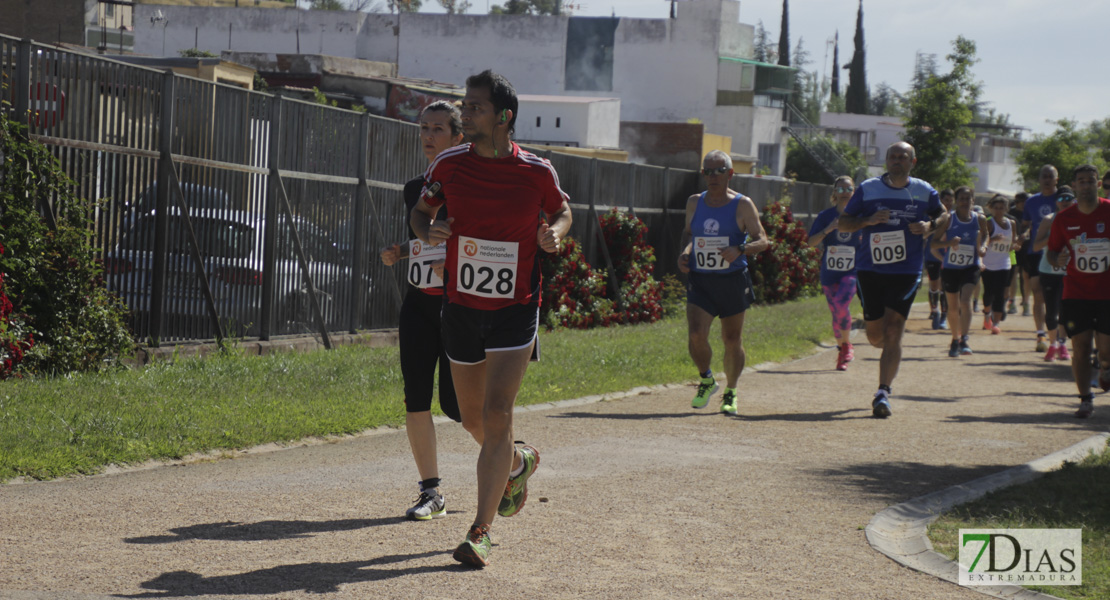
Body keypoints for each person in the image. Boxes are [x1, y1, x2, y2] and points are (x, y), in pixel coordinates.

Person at [411, 70, 572, 567]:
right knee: (473, 417)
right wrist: (430, 229)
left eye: (475, 106)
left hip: (515, 308)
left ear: (503, 117)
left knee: (499, 414)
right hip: (461, 307)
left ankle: (480, 530)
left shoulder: (537, 172)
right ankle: (519, 462)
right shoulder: (452, 165)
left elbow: (563, 211)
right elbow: (421, 211)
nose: (465, 113)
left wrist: (556, 234)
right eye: (465, 104)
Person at [379, 101, 465, 521]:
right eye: (424, 128)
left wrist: (455, 264)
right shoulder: (415, 188)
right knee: (416, 399)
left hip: (459, 307)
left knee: (458, 406)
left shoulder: (470, 186)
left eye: (439, 128)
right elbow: (420, 235)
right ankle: (432, 492)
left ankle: (511, 462)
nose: (429, 135)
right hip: (418, 304)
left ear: (458, 137)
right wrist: (400, 251)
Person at [837, 141, 942, 418]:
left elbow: (944, 216)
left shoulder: (923, 190)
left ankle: (883, 392)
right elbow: (844, 223)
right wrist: (867, 221)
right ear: (886, 161)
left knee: (894, 330)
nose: (897, 160)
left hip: (906, 272)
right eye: (892, 156)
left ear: (912, 162)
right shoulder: (868, 188)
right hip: (871, 270)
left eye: (903, 157)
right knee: (876, 336)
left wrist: (929, 226)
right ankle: (888, 351)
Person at [677, 150, 769, 414]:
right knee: (696, 334)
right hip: (701, 279)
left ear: (730, 174)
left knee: (731, 339)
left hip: (732, 280)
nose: (713, 176)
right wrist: (684, 255)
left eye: (719, 171)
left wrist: (740, 249)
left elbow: (762, 240)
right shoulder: (694, 202)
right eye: (708, 171)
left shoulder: (743, 205)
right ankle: (706, 379)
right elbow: (691, 236)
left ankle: (731, 390)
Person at [1045, 164, 1110, 418]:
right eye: (1081, 181)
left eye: (1090, 181)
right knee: (1080, 347)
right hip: (1076, 292)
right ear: (1074, 186)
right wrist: (1056, 260)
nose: (1085, 185)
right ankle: (1085, 399)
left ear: (1098, 184)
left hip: (1107, 293)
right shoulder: (1064, 218)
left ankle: (1104, 366)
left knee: (1106, 350)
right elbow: (1051, 253)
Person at [807, 175, 862, 371]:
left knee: (841, 304)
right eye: (840, 189)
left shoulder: (860, 216)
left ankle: (847, 346)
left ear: (854, 192)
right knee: (835, 312)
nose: (844, 193)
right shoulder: (825, 216)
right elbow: (810, 242)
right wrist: (828, 230)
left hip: (851, 271)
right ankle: (842, 351)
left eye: (848, 189)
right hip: (829, 272)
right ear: (834, 193)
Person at [931, 186, 989, 357]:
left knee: (965, 301)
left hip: (970, 266)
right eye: (961, 199)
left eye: (968, 199)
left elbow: (986, 235)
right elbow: (933, 243)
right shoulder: (949, 219)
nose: (964, 202)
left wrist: (984, 246)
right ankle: (954, 339)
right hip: (951, 268)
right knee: (953, 306)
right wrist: (948, 244)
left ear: (973, 201)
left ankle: (964, 339)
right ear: (957, 201)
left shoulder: (980, 219)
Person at [1032, 186, 1076, 362]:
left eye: (1068, 199)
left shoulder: (1078, 219)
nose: (1065, 202)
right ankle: (1052, 345)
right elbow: (1035, 246)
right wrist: (1053, 236)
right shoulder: (1049, 220)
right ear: (1056, 202)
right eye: (1061, 199)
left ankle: (1063, 344)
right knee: (1052, 310)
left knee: (1066, 311)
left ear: (1074, 200)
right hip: (1049, 270)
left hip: (1070, 271)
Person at [1023, 165, 1060, 351]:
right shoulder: (1031, 202)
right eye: (1043, 176)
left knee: (1057, 296)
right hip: (1036, 252)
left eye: (1050, 176)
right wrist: (1021, 236)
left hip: (1058, 253)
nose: (1046, 179)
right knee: (1038, 293)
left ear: (1056, 179)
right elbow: (1027, 225)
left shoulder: (1063, 199)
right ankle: (1040, 334)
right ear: (1039, 179)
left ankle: (1057, 330)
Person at [980, 194, 1018, 335]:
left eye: (1002, 208)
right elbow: (981, 241)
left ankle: (996, 323)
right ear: (991, 208)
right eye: (996, 208)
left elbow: (1012, 242)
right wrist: (993, 239)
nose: (999, 211)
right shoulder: (988, 223)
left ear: (1006, 209)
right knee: (988, 292)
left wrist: (1015, 245)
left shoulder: (1011, 223)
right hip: (989, 263)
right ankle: (986, 315)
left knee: (1000, 293)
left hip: (1004, 263)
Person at [924, 189, 954, 330]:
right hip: (932, 255)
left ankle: (943, 315)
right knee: (934, 284)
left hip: (949, 256)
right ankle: (934, 311)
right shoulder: (933, 217)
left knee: (944, 286)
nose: (948, 203)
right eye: (945, 200)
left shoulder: (954, 217)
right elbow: (924, 235)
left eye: (950, 200)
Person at [1007, 192, 1030, 315]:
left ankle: (1026, 302)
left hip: (1026, 246)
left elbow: (1030, 227)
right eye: (1018, 202)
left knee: (1026, 276)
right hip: (1014, 247)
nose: (1020, 204)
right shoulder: (1011, 214)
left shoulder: (1030, 212)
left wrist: (1025, 235)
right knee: (1013, 274)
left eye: (1023, 201)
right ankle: (1012, 302)